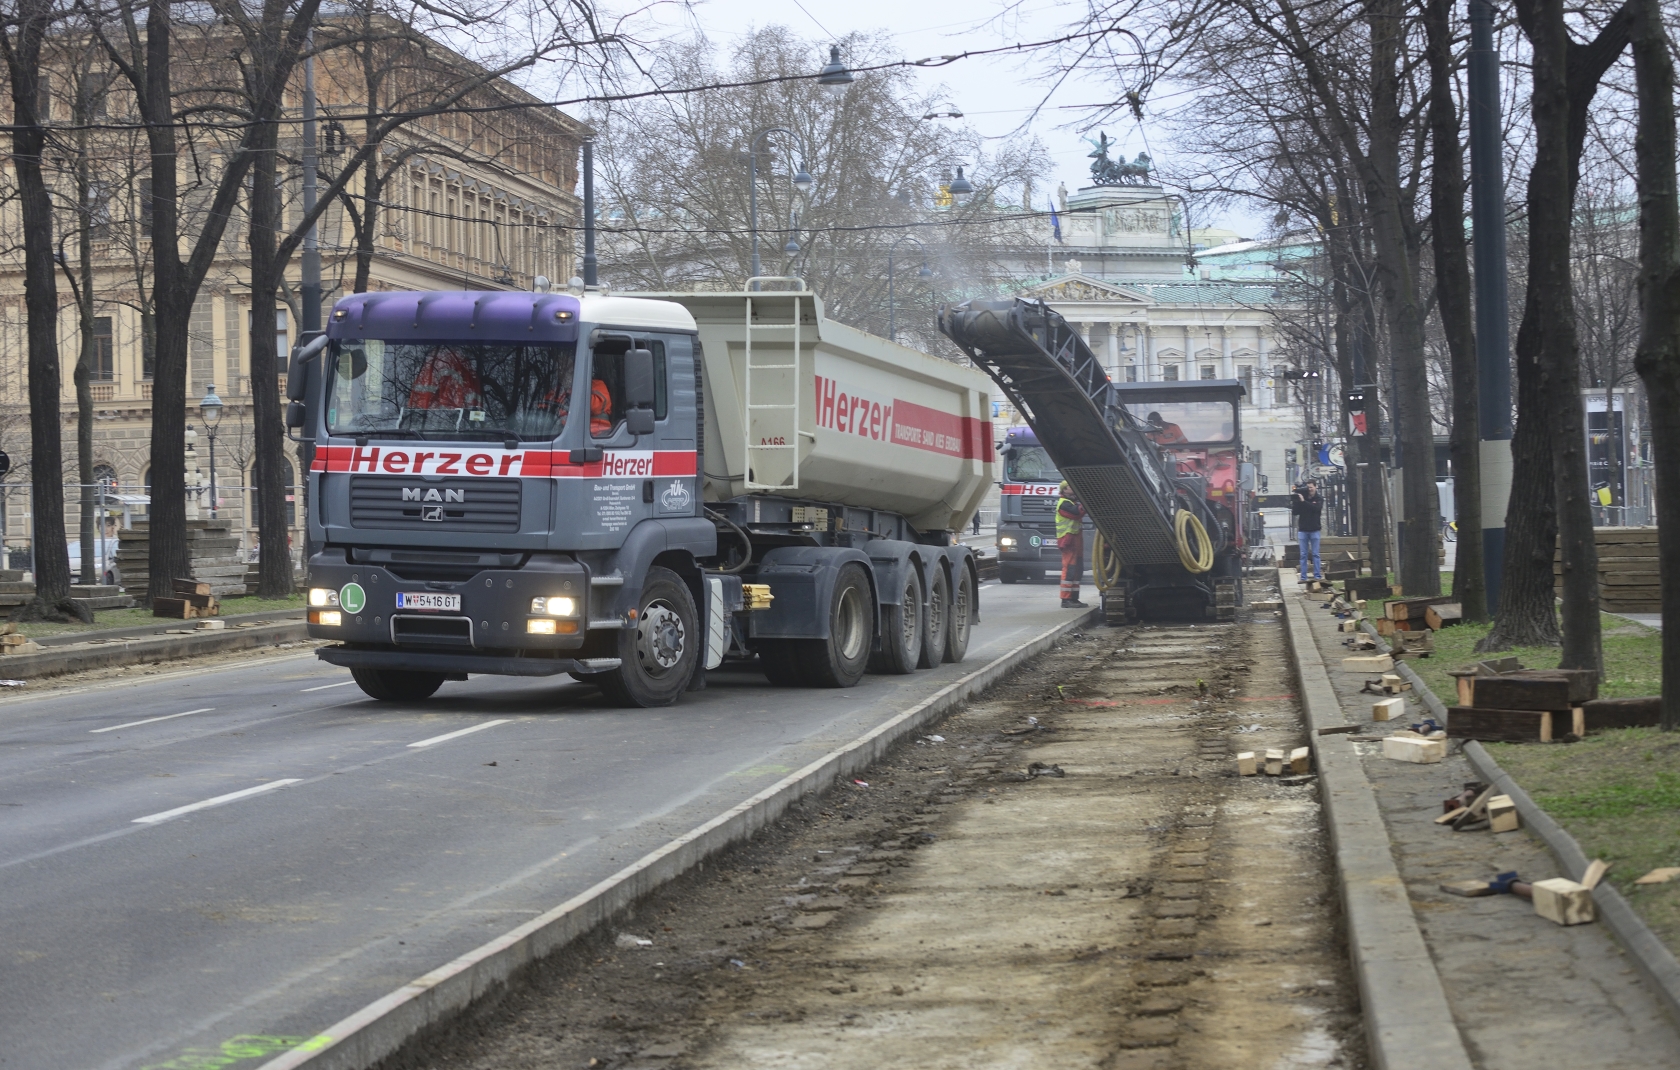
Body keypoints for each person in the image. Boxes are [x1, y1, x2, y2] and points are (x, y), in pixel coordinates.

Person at [1055, 481, 1087, 608]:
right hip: (1068, 540)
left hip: (1075, 540)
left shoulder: (1071, 503)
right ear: (1064, 490)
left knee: (1077, 570)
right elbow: (1076, 513)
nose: (1072, 488)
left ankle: (1074, 598)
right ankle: (1066, 599)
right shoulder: (1064, 504)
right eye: (1069, 487)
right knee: (1069, 570)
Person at [1292, 480, 1323, 582]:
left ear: (1315, 487)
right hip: (1303, 530)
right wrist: (1297, 501)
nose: (1309, 490)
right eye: (1308, 488)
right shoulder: (1302, 498)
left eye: (1311, 487)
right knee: (1303, 555)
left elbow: (1316, 509)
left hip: (1315, 529)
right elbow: (1295, 512)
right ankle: (1303, 577)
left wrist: (1303, 502)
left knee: (1315, 554)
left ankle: (1317, 576)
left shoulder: (1319, 499)